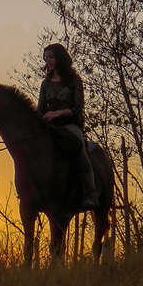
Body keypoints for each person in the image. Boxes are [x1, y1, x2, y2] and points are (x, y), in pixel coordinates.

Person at [37, 43, 99, 209]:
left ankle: (90, 193)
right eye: (46, 58)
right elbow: (40, 109)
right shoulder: (45, 84)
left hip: (70, 126)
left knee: (80, 148)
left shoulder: (73, 81)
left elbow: (78, 108)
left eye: (50, 57)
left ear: (59, 58)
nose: (48, 60)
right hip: (50, 127)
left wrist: (57, 113)